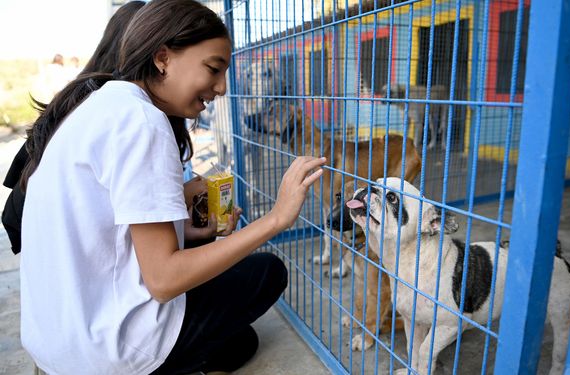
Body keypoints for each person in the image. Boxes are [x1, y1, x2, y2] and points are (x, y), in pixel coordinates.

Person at [19, 1, 326, 375]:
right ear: (163, 57)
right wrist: (276, 219)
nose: (222, 88)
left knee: (239, 342)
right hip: (102, 351)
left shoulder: (102, 104)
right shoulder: (143, 121)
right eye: (213, 69)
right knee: (267, 272)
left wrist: (184, 228)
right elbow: (164, 280)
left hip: (56, 341)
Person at [1, 1, 214, 255]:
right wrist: (182, 195)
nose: (219, 87)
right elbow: (109, 214)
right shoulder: (132, 116)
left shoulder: (80, 103)